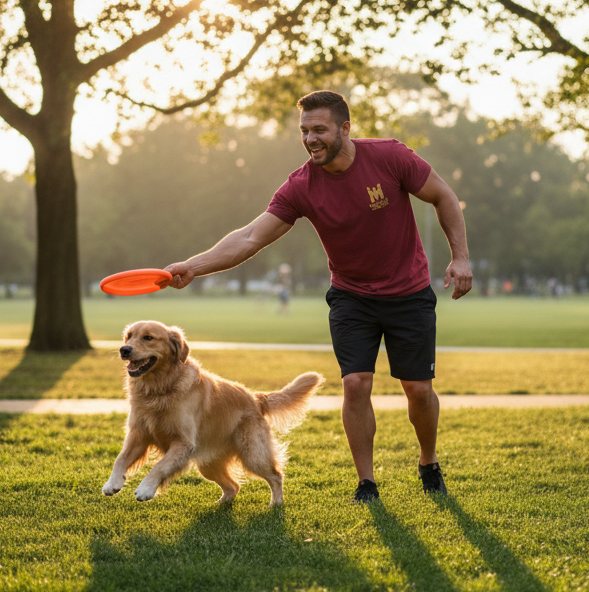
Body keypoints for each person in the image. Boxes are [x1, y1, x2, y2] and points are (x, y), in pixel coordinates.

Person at [162, 90, 472, 503]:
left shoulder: (391, 157)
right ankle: (367, 482)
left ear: (345, 128)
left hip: (408, 292)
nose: (311, 139)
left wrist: (461, 258)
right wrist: (193, 267)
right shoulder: (301, 186)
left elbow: (444, 196)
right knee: (356, 383)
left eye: (320, 129)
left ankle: (428, 462)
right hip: (352, 296)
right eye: (305, 131)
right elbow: (251, 237)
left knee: (417, 389)